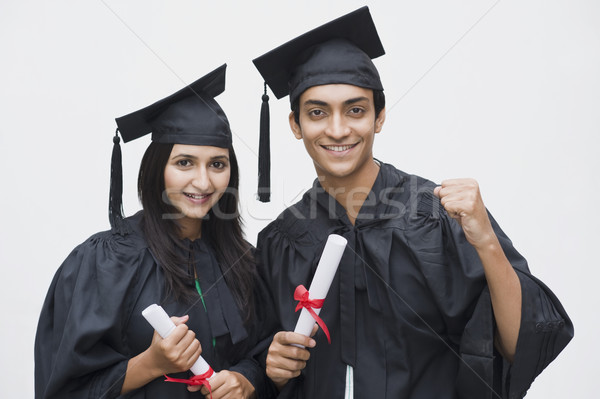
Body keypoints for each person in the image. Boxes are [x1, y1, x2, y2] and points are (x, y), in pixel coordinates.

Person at [251, 7, 573, 399]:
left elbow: (515, 347)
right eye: (317, 113)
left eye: (356, 110)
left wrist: (486, 241)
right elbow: (260, 371)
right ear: (296, 126)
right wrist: (275, 370)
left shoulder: (439, 216)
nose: (337, 129)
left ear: (380, 117)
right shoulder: (279, 243)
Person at [34, 65, 276, 399]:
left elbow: (264, 354)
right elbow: (63, 389)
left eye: (217, 164)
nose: (203, 182)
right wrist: (152, 362)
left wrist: (246, 378)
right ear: (156, 169)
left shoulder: (245, 261)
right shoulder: (106, 262)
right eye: (184, 163)